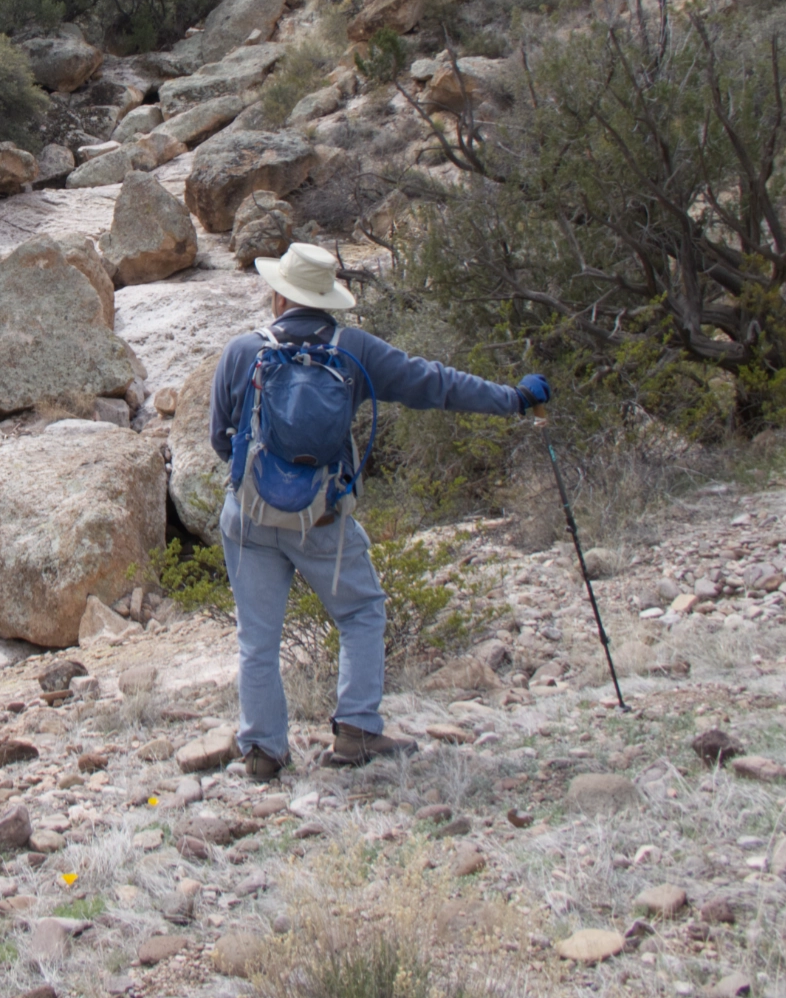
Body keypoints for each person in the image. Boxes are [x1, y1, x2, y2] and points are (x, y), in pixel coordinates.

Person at [209, 242, 549, 777]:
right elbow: (435, 384)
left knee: (258, 638)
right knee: (361, 612)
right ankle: (357, 731)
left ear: (280, 296)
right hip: (322, 519)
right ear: (328, 300)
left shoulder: (240, 352)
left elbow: (219, 441)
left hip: (248, 518)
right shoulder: (356, 351)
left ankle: (264, 752)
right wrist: (512, 398)